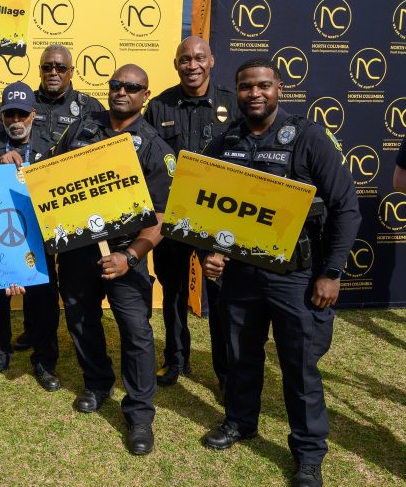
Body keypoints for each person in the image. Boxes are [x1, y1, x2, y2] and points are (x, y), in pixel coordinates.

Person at [200, 58, 360, 487]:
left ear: (279, 89)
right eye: (246, 86)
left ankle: (308, 454)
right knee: (240, 356)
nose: (255, 93)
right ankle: (239, 422)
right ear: (236, 92)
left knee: (300, 367)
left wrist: (332, 272)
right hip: (240, 276)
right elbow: (205, 209)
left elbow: (346, 207)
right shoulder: (224, 142)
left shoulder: (309, 138)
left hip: (295, 276)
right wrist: (210, 253)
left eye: (264, 85)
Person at [55, 64, 175, 455]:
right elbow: (53, 175)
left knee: (136, 333)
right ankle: (97, 382)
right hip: (77, 250)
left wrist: (130, 255)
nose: (122, 91)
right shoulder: (82, 128)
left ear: (145, 95)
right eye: (116, 85)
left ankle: (140, 413)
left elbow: (161, 219)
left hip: (126, 253)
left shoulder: (155, 147)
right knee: (80, 319)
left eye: (132, 87)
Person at [0, 44, 103, 350]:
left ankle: (44, 353)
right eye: (46, 67)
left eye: (60, 67)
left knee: (44, 289)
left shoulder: (86, 108)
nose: (53, 72)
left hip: (48, 221)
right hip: (0, 225)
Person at [143, 35, 240, 390]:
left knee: (220, 293)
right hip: (174, 215)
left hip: (219, 218)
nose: (192, 65)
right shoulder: (158, 106)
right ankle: (176, 360)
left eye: (199, 58)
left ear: (211, 61)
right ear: (176, 64)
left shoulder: (233, 102)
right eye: (185, 59)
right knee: (174, 292)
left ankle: (225, 371)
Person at [0, 81, 61, 391]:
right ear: (1, 114)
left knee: (44, 300)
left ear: (33, 114)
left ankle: (44, 361)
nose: (15, 121)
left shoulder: (51, 145)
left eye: (22, 115)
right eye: (9, 114)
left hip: (38, 237)